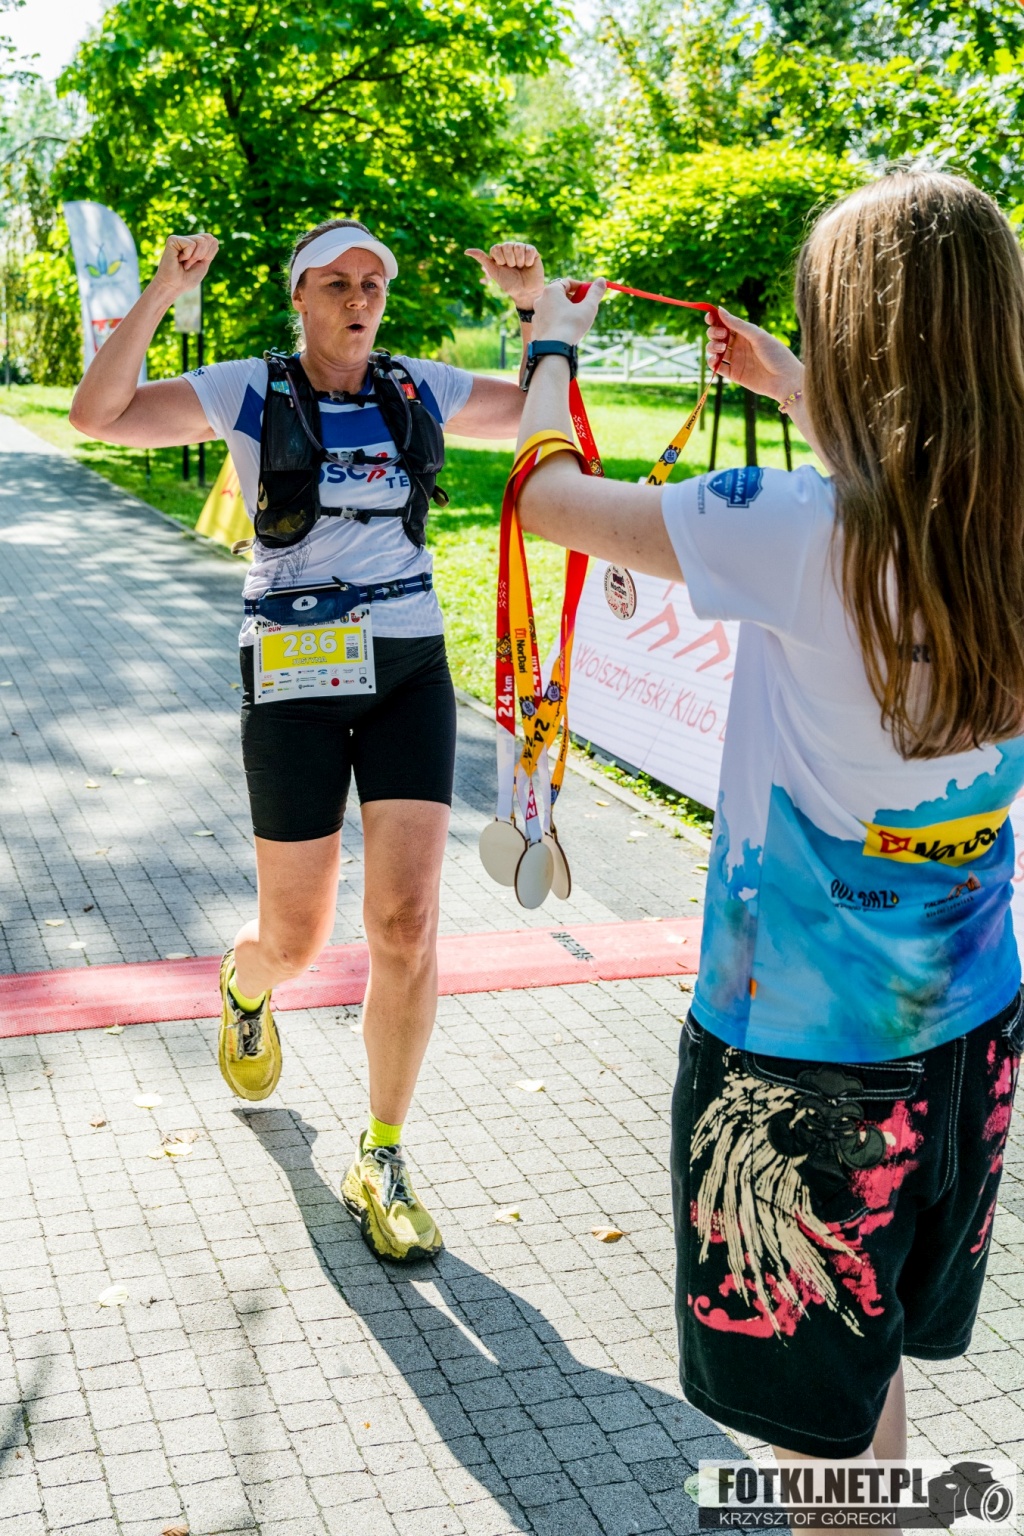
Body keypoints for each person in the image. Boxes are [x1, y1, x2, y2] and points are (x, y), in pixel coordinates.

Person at [509, 169, 1024, 1474]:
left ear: (855, 344)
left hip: (797, 1076)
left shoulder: (793, 525)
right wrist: (797, 388)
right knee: (861, 1392)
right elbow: (915, 470)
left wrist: (550, 347)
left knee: (818, 1457)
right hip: (972, 1038)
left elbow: (547, 500)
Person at [69, 221, 548, 1263]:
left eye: (374, 281)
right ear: (300, 296)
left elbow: (543, 411)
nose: (359, 297)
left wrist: (532, 313)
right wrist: (159, 293)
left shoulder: (417, 387)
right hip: (292, 674)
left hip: (409, 666)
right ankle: (249, 983)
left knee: (406, 923)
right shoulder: (251, 388)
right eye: (337, 282)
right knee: (299, 940)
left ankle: (383, 1153)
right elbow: (97, 415)